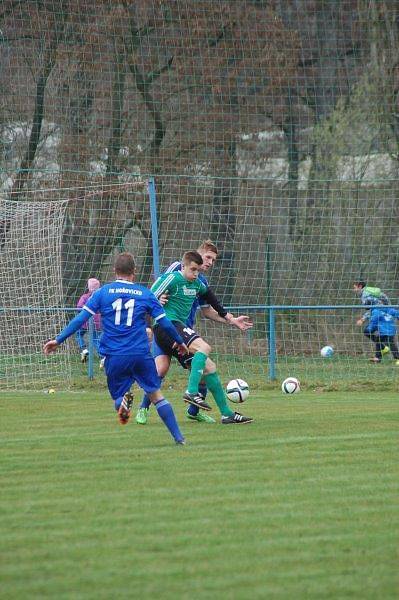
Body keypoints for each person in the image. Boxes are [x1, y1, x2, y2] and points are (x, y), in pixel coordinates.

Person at [43, 252, 189, 444]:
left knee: (118, 398)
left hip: (115, 355)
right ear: (134, 272)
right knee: (156, 395)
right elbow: (166, 323)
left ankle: (123, 403)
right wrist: (179, 341)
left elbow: (81, 319)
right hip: (140, 354)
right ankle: (179, 438)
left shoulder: (102, 293)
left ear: (114, 271)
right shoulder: (145, 294)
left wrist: (58, 339)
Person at [136, 240, 253, 425]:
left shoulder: (199, 282)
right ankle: (146, 407)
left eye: (213, 260)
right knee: (162, 368)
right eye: (208, 257)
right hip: (168, 327)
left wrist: (232, 320)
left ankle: (223, 413)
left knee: (208, 368)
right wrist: (154, 307)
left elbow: (210, 309)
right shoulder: (176, 270)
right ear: (197, 255)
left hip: (184, 330)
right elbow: (155, 292)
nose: (209, 263)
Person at [354, 281, 391, 357]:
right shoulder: (366, 293)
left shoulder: (365, 295)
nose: (353, 289)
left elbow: (376, 305)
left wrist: (363, 319)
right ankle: (379, 355)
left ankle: (387, 352)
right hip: (383, 312)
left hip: (382, 313)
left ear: (360, 286)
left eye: (354, 287)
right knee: (377, 334)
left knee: (369, 331)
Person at [75, 278, 102, 364]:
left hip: (85, 321)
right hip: (97, 322)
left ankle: (84, 349)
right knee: (95, 339)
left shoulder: (85, 297)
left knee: (78, 334)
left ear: (89, 287)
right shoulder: (100, 298)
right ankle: (102, 356)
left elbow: (79, 307)